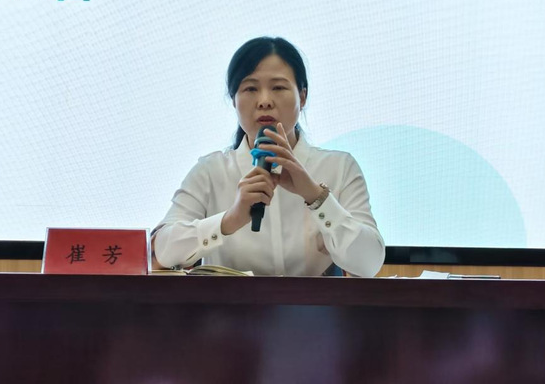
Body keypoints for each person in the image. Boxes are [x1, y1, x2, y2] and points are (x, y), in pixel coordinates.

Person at [152, 37, 385, 277]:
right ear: (233, 100)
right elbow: (160, 251)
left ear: (302, 96)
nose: (264, 101)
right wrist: (229, 220)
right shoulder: (210, 171)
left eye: (278, 88)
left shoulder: (340, 167)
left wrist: (316, 197)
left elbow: (369, 263)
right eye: (250, 89)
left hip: (314, 304)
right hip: (229, 303)